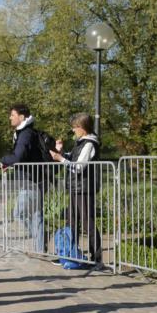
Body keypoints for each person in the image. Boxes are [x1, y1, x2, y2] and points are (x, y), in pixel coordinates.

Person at [50, 113, 102, 266]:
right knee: (71, 222)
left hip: (84, 188)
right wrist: (59, 152)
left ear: (83, 127)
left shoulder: (89, 143)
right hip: (75, 187)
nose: (73, 130)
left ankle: (96, 259)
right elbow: (71, 159)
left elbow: (79, 167)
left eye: (75, 127)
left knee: (87, 223)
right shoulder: (80, 142)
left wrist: (61, 159)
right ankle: (70, 255)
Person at [1, 104, 48, 253]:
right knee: (35, 214)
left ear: (21, 117)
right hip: (33, 179)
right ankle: (40, 246)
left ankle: (40, 240)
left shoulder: (26, 134)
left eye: (12, 115)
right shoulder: (25, 132)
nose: (10, 117)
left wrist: (3, 160)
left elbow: (18, 157)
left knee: (20, 213)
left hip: (32, 181)